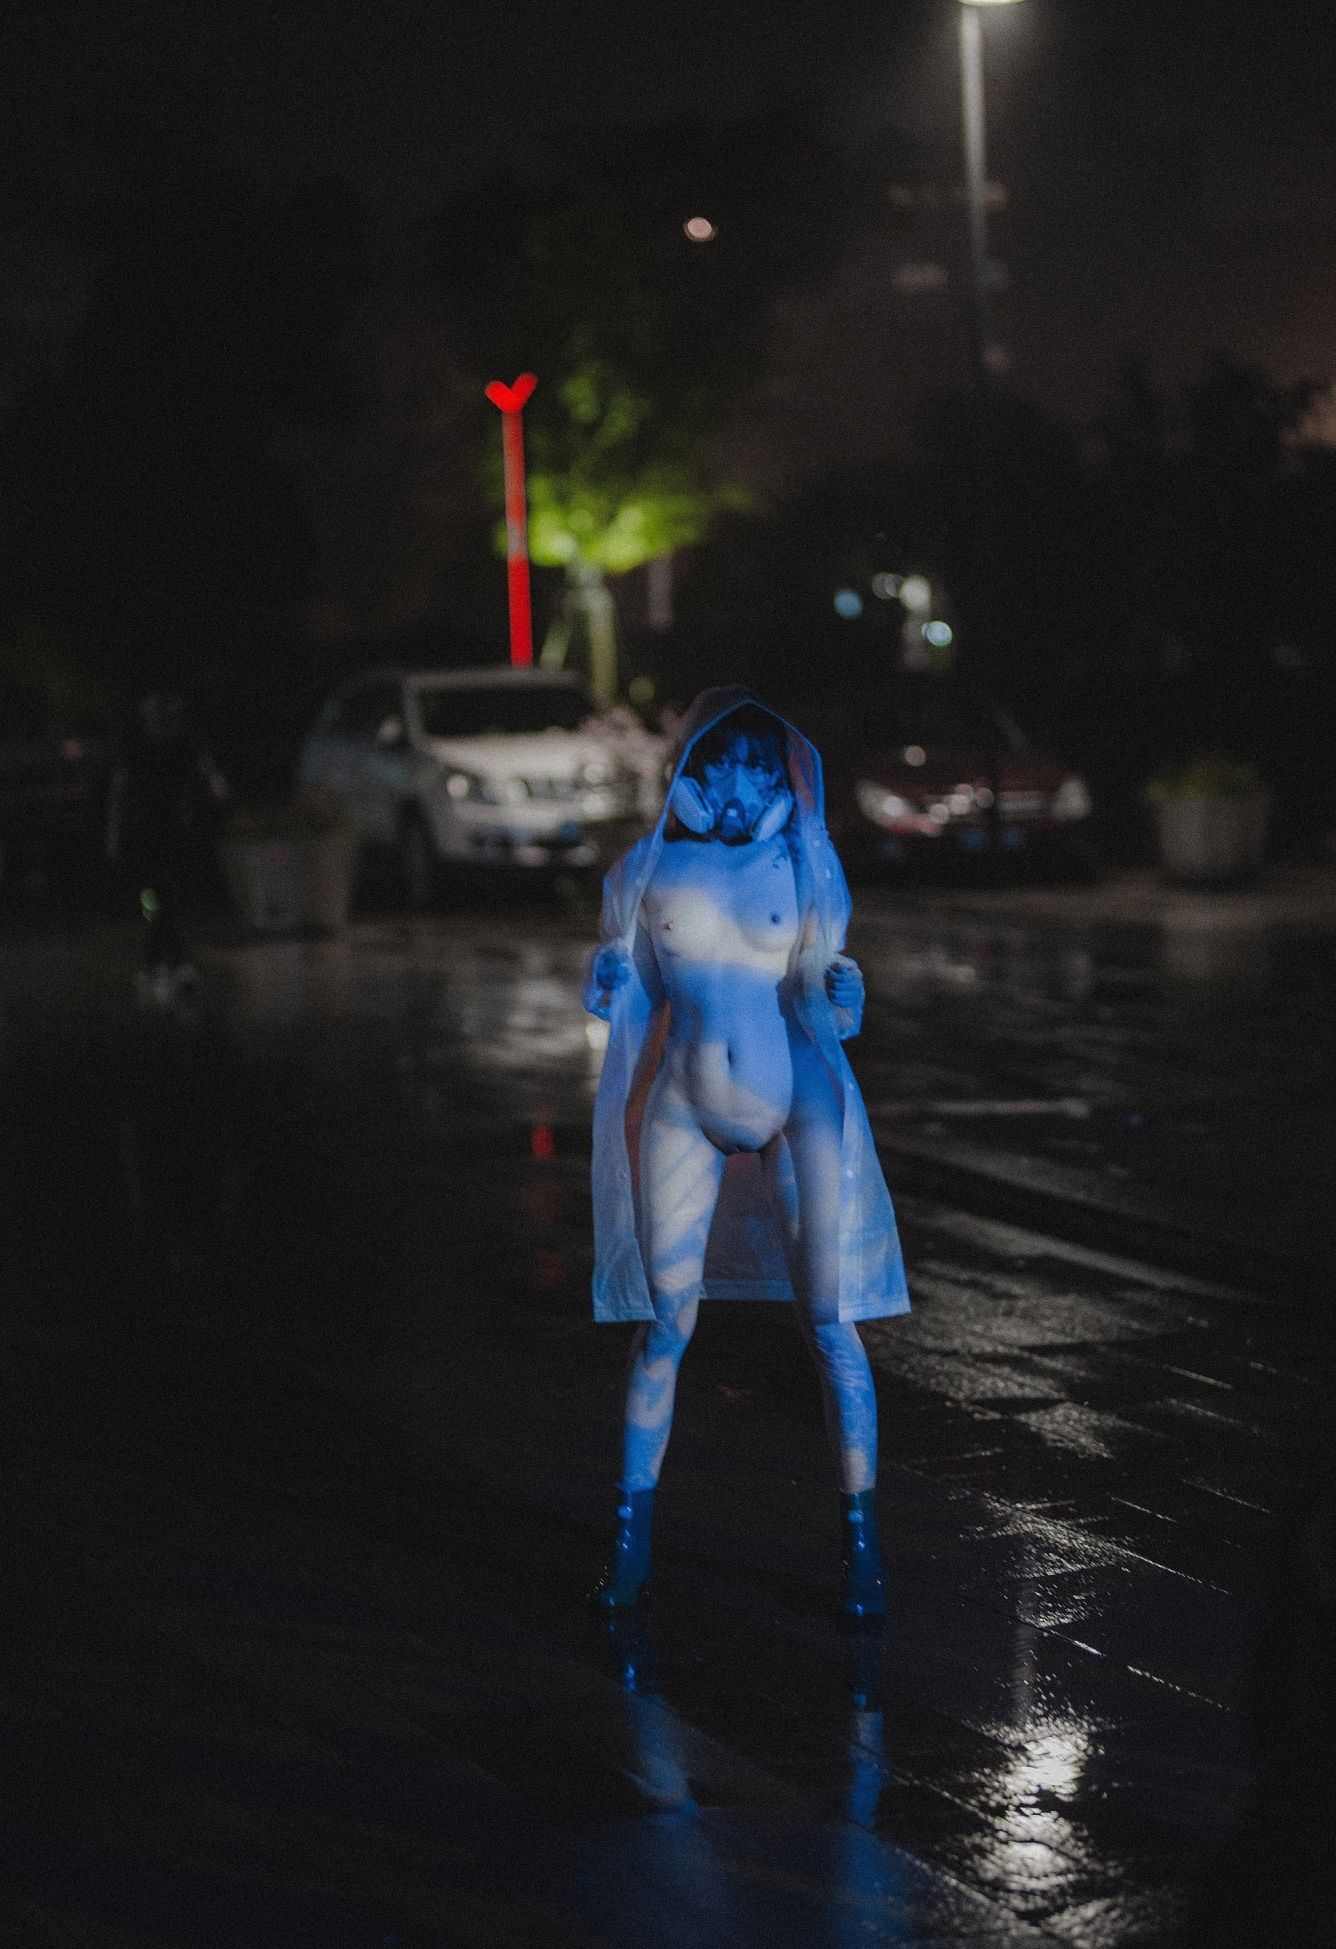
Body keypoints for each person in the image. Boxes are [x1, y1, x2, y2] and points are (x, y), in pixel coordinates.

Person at [583, 687, 910, 1617]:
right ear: (692, 766)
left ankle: (862, 1545)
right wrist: (602, 985)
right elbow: (630, 996)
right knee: (666, 1323)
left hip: (793, 1098)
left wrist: (849, 1000)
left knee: (829, 1319)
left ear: (780, 775)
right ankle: (630, 1545)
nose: (738, 784)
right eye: (721, 762)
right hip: (685, 1099)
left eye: (758, 766)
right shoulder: (645, 871)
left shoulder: (806, 864)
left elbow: (827, 998)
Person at [105, 688, 228, 1005]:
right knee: (155, 899)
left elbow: (209, 782)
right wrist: (115, 834)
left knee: (168, 899)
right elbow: (121, 792)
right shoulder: (137, 748)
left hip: (172, 832)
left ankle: (163, 962)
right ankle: (170, 962)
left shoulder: (183, 746)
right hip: (146, 834)